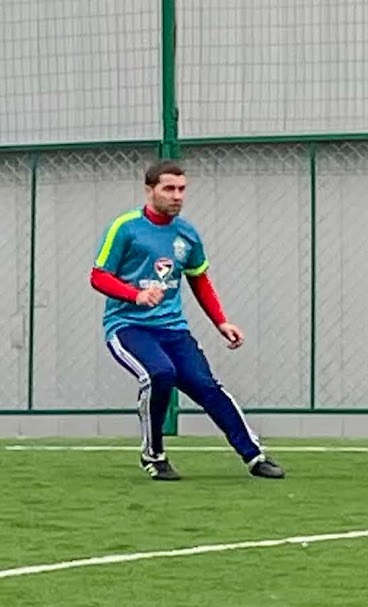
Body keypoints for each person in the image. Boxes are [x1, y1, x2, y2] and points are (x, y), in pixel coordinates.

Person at [90, 160, 285, 481]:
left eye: (182, 189)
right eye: (169, 189)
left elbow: (199, 279)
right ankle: (153, 454)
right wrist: (134, 295)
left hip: (173, 330)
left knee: (207, 387)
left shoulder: (187, 234)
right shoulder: (125, 227)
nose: (177, 196)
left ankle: (254, 455)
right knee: (160, 374)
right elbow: (98, 276)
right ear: (149, 190)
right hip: (128, 327)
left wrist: (221, 322)